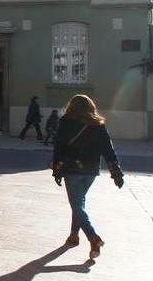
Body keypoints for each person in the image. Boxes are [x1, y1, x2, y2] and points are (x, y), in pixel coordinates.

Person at [51, 94, 124, 259]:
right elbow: (108, 149)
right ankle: (73, 235)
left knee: (77, 206)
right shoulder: (98, 125)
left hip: (72, 170)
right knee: (79, 203)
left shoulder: (66, 122)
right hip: (91, 171)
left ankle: (93, 238)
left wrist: (57, 168)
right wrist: (116, 171)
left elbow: (59, 147)